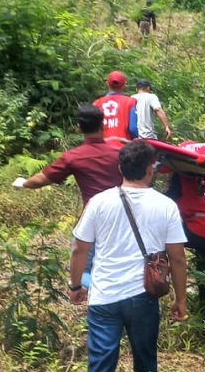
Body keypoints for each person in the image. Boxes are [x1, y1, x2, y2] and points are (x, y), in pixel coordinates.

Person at [68, 140, 188, 372]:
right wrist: (180, 299)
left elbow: (79, 249)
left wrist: (75, 286)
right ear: (151, 169)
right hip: (143, 296)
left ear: (120, 168)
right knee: (145, 362)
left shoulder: (99, 202)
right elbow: (177, 259)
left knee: (101, 366)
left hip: (104, 296)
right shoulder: (166, 206)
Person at [12, 104, 126, 287]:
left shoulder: (74, 157)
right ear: (102, 124)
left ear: (78, 128)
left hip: (92, 219)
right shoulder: (119, 154)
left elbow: (42, 179)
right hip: (124, 218)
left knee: (82, 269)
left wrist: (23, 183)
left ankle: (96, 293)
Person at [164, 173, 205, 322]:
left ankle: (158, 275)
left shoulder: (181, 175)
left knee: (161, 232)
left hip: (200, 230)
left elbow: (163, 205)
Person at [93, 70, 138, 140]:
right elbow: (133, 129)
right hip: (124, 144)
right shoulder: (130, 102)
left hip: (102, 144)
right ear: (124, 85)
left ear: (107, 84)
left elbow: (92, 128)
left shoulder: (97, 103)